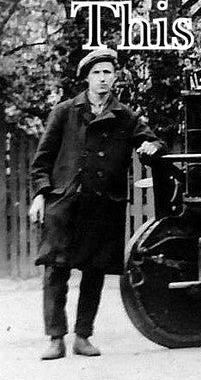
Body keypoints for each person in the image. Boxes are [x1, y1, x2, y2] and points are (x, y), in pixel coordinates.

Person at [29, 47, 163, 360]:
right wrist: (39, 194)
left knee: (94, 272)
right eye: (97, 73)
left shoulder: (125, 116)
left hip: (103, 207)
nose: (102, 79)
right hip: (65, 205)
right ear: (87, 78)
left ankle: (83, 337)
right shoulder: (65, 111)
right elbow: (42, 159)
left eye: (108, 73)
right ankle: (55, 338)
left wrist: (150, 146)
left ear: (115, 77)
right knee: (55, 270)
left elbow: (154, 141)